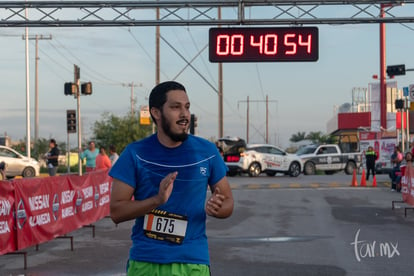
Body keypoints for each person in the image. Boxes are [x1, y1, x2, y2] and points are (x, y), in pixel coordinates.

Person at [109, 81, 234, 276]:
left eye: (187, 107)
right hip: (146, 262)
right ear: (156, 113)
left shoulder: (207, 152)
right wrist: (157, 200)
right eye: (176, 107)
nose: (185, 114)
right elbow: (116, 211)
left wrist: (218, 207)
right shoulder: (135, 153)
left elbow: (228, 202)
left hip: (193, 262)